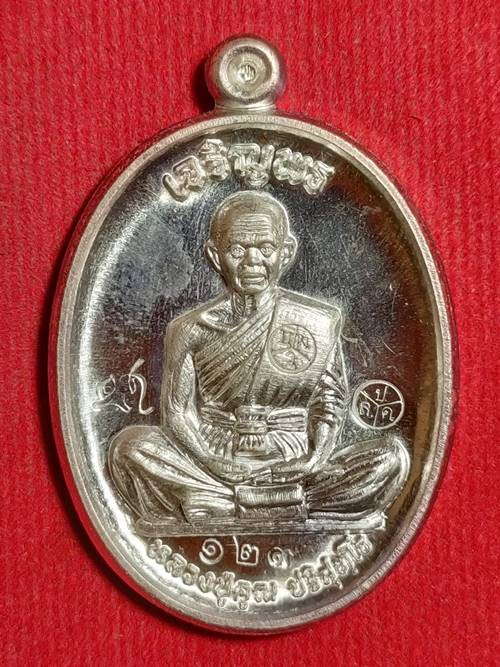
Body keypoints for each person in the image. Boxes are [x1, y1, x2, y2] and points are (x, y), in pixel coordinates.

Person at [109, 191, 409, 526]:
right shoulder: (190, 329)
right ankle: (281, 505)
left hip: (291, 463)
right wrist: (209, 460)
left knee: (389, 460)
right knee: (130, 448)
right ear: (216, 256)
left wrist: (314, 459)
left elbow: (329, 402)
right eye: (238, 250)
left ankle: (228, 506)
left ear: (286, 252)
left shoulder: (315, 322)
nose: (252, 261)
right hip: (216, 463)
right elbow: (177, 412)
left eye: (266, 248)